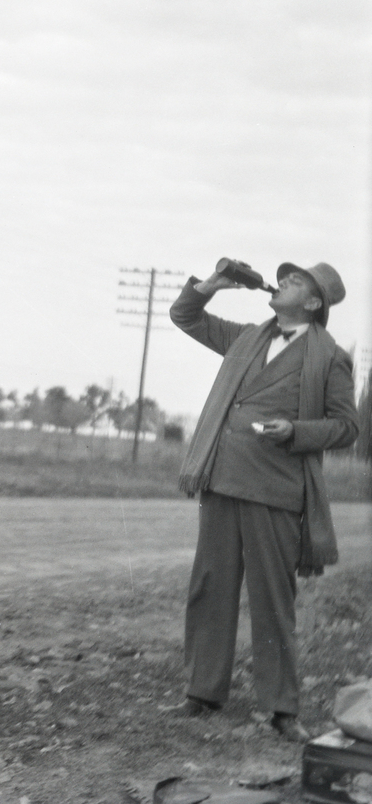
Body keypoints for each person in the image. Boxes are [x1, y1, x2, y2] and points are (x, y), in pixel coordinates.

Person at [169, 260, 357, 742]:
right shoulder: (247, 336)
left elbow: (346, 426)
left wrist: (296, 431)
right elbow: (185, 317)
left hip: (276, 488)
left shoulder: (330, 356)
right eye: (286, 278)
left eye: (295, 282)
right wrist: (209, 287)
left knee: (273, 599)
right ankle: (202, 692)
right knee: (209, 587)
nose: (282, 283)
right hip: (222, 478)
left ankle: (281, 708)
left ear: (313, 304)